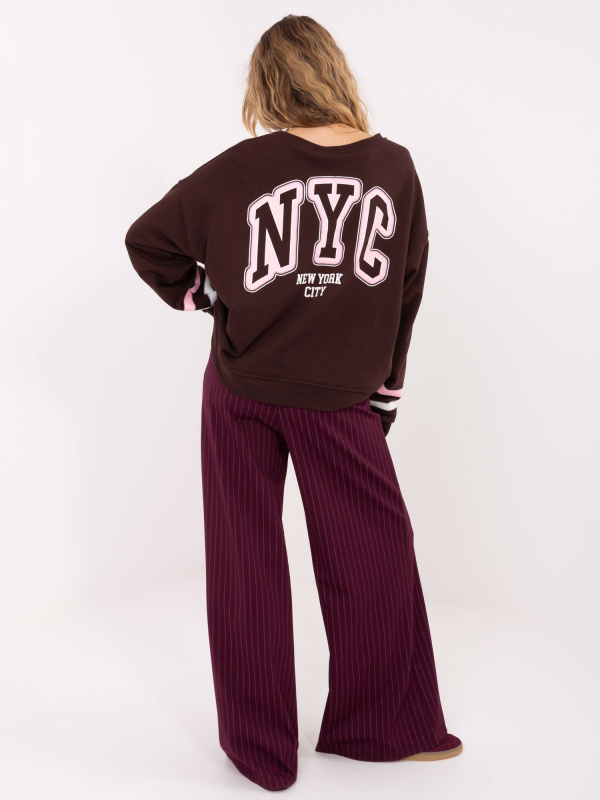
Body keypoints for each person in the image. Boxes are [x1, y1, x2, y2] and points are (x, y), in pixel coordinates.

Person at [124, 13, 462, 792]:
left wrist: (211, 296)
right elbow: (407, 291)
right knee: (366, 558)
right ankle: (374, 729)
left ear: (267, 86)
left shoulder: (245, 169)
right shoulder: (392, 169)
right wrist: (385, 393)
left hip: (247, 385)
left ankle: (261, 751)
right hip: (322, 395)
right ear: (335, 72)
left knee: (251, 562)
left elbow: (150, 241)